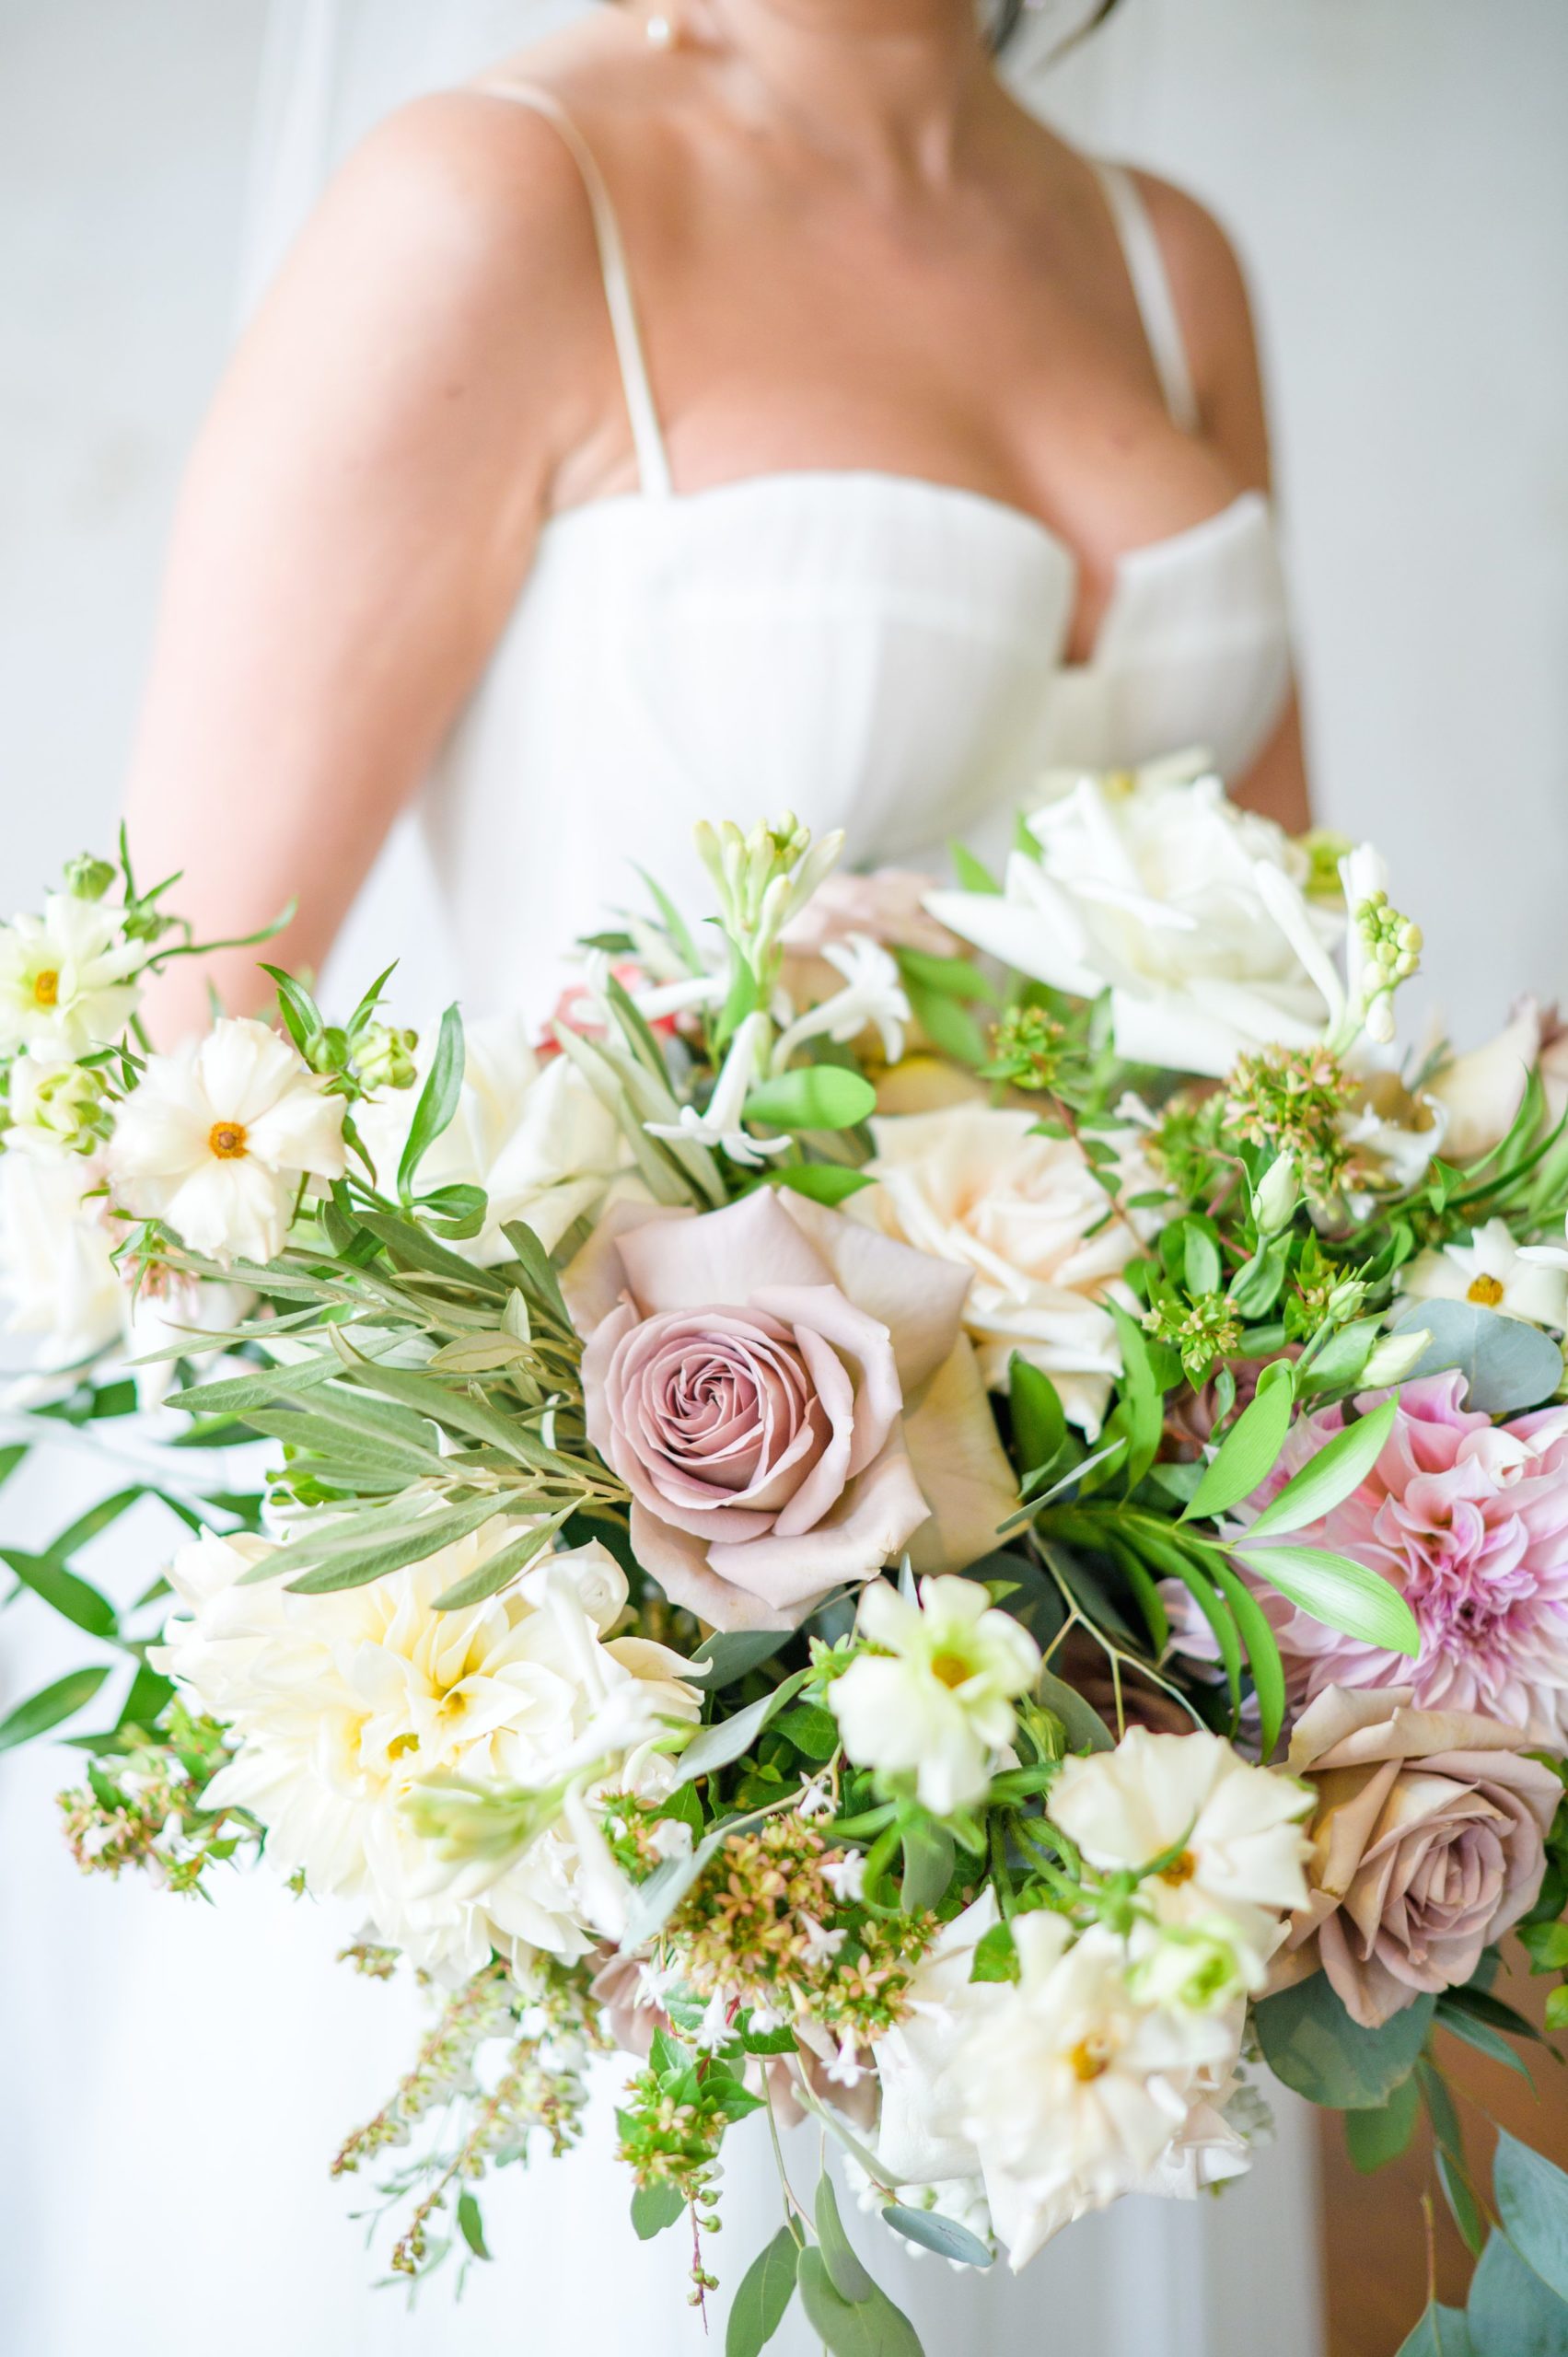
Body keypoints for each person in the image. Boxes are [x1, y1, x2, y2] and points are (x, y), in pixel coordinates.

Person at [77, 5, 1316, 2351]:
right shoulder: (499, 198)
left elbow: (1285, 1001)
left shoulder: (1169, 265)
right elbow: (176, 1076)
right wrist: (604, 1560)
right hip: (655, 1719)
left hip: (1103, 1703)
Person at [124, 0, 1301, 1041]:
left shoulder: (1167, 261)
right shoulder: (496, 190)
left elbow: (1293, 955)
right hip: (647, 1287)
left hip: (1177, 1290)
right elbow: (180, 1029)